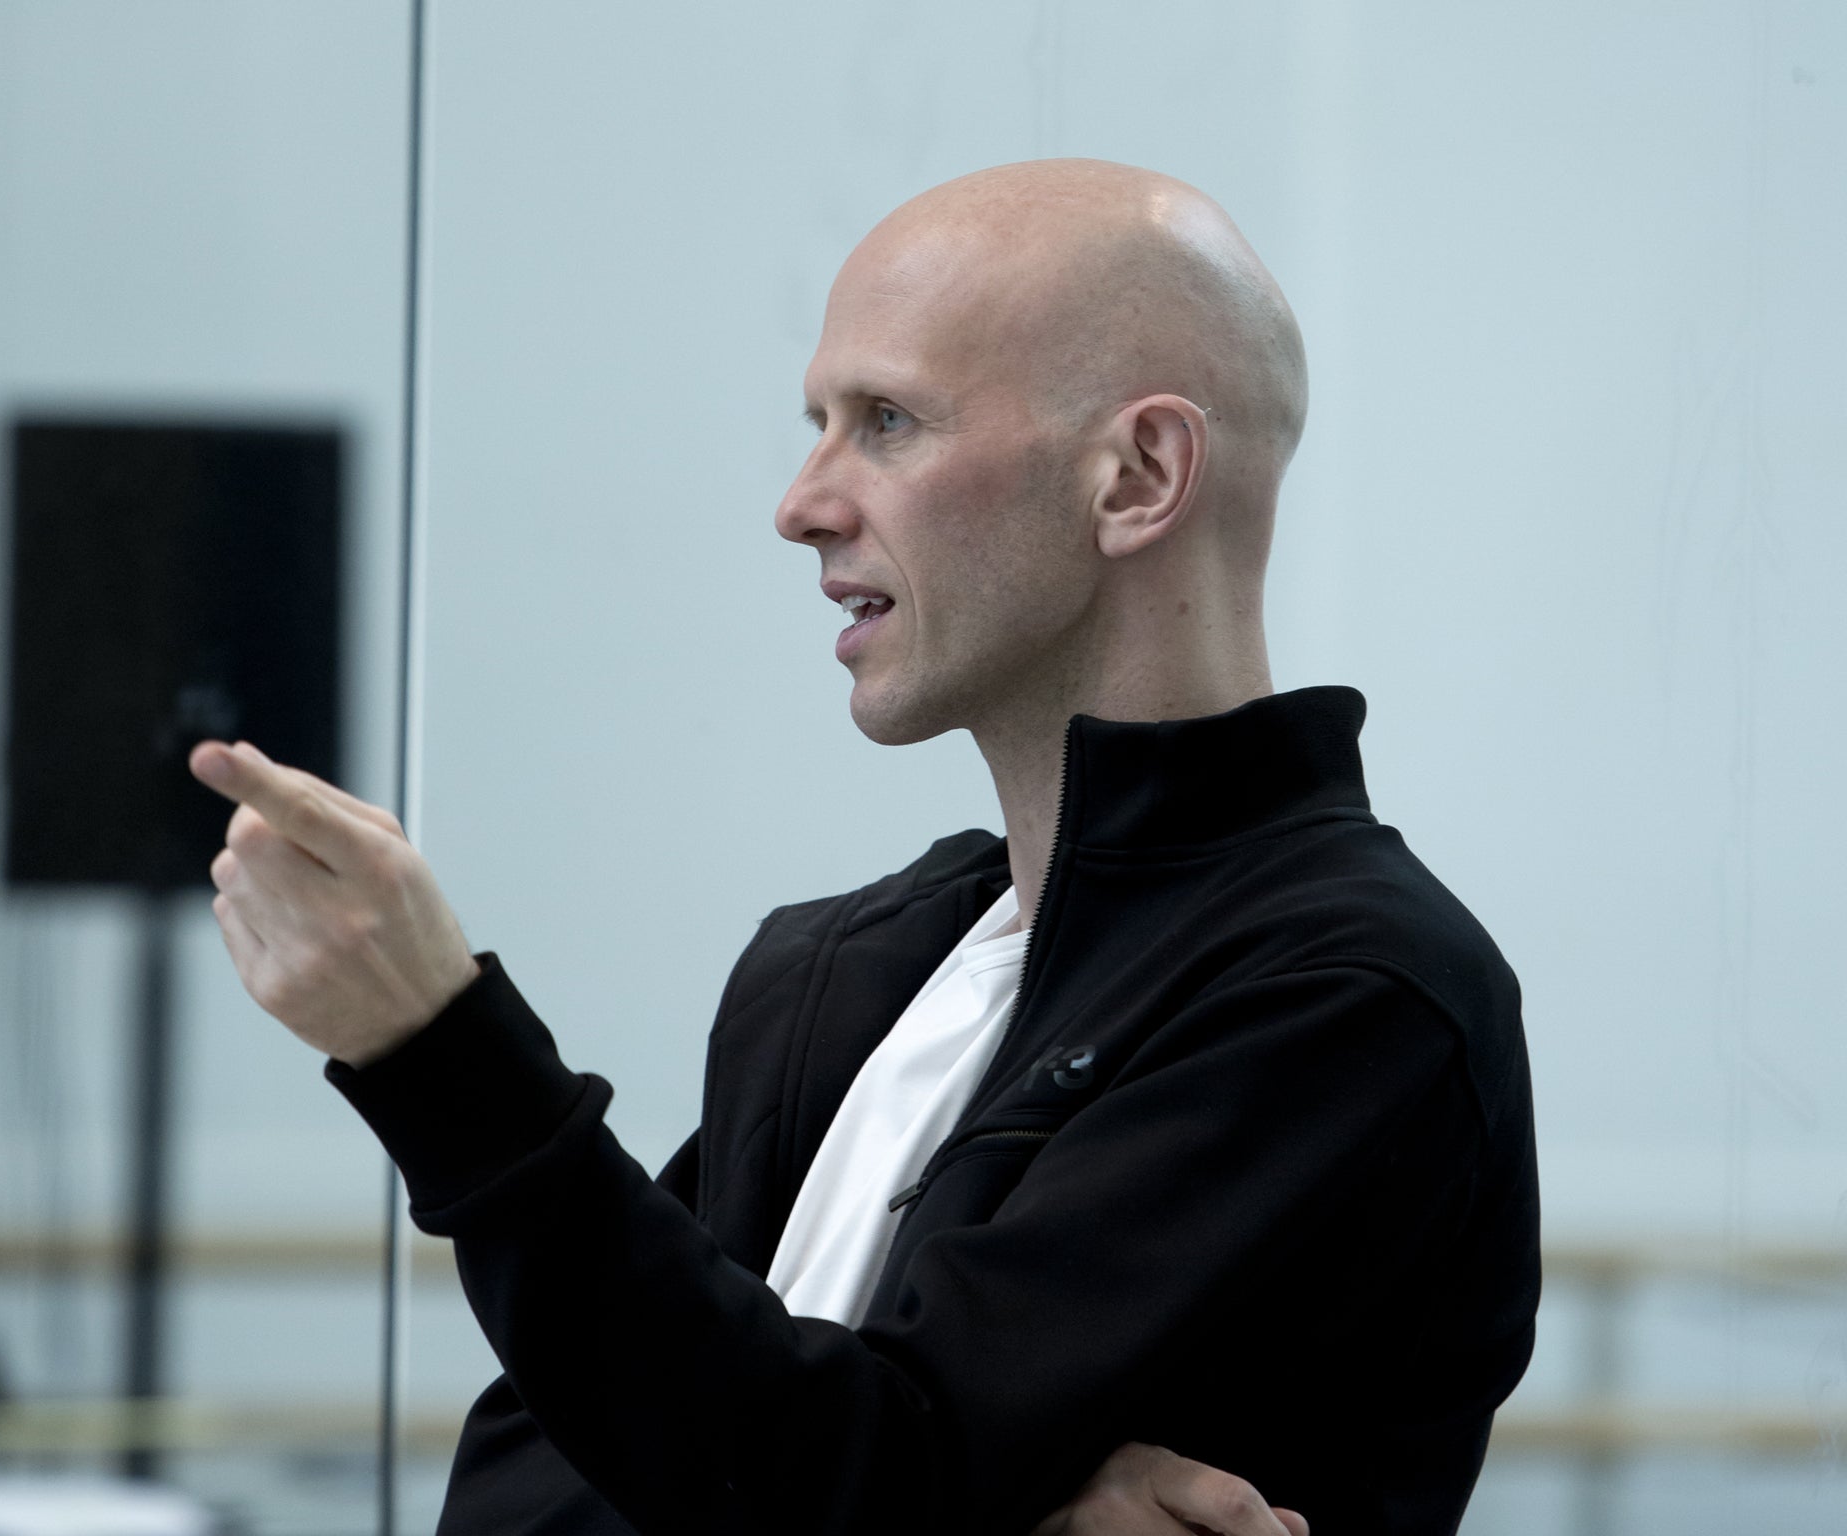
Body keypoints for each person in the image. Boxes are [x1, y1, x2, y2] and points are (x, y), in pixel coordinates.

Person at [190, 159, 1539, 1535]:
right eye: (819, 422)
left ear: (1139, 476)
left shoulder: (1354, 991)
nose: (803, 502)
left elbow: (844, 1477)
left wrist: (440, 1051)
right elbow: (542, 1493)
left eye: (886, 421)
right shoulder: (842, 967)